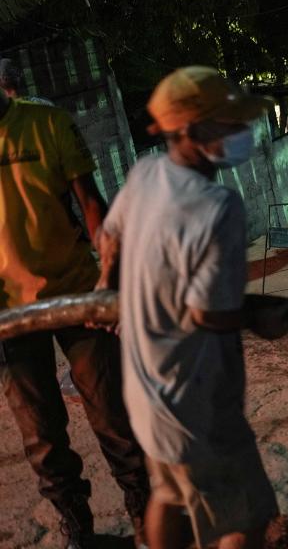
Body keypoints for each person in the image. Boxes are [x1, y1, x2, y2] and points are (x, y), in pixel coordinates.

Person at [96, 66, 288, 549]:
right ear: (188, 130)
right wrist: (258, 317)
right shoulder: (218, 206)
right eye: (226, 124)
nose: (239, 134)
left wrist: (107, 287)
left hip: (145, 392)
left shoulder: (144, 175)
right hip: (195, 403)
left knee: (169, 493)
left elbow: (109, 236)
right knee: (241, 518)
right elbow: (211, 316)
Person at [0, 87, 150, 547]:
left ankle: (148, 519)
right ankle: (79, 532)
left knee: (113, 418)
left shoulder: (46, 123)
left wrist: (112, 279)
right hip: (11, 316)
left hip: (78, 294)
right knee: (41, 439)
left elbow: (90, 204)